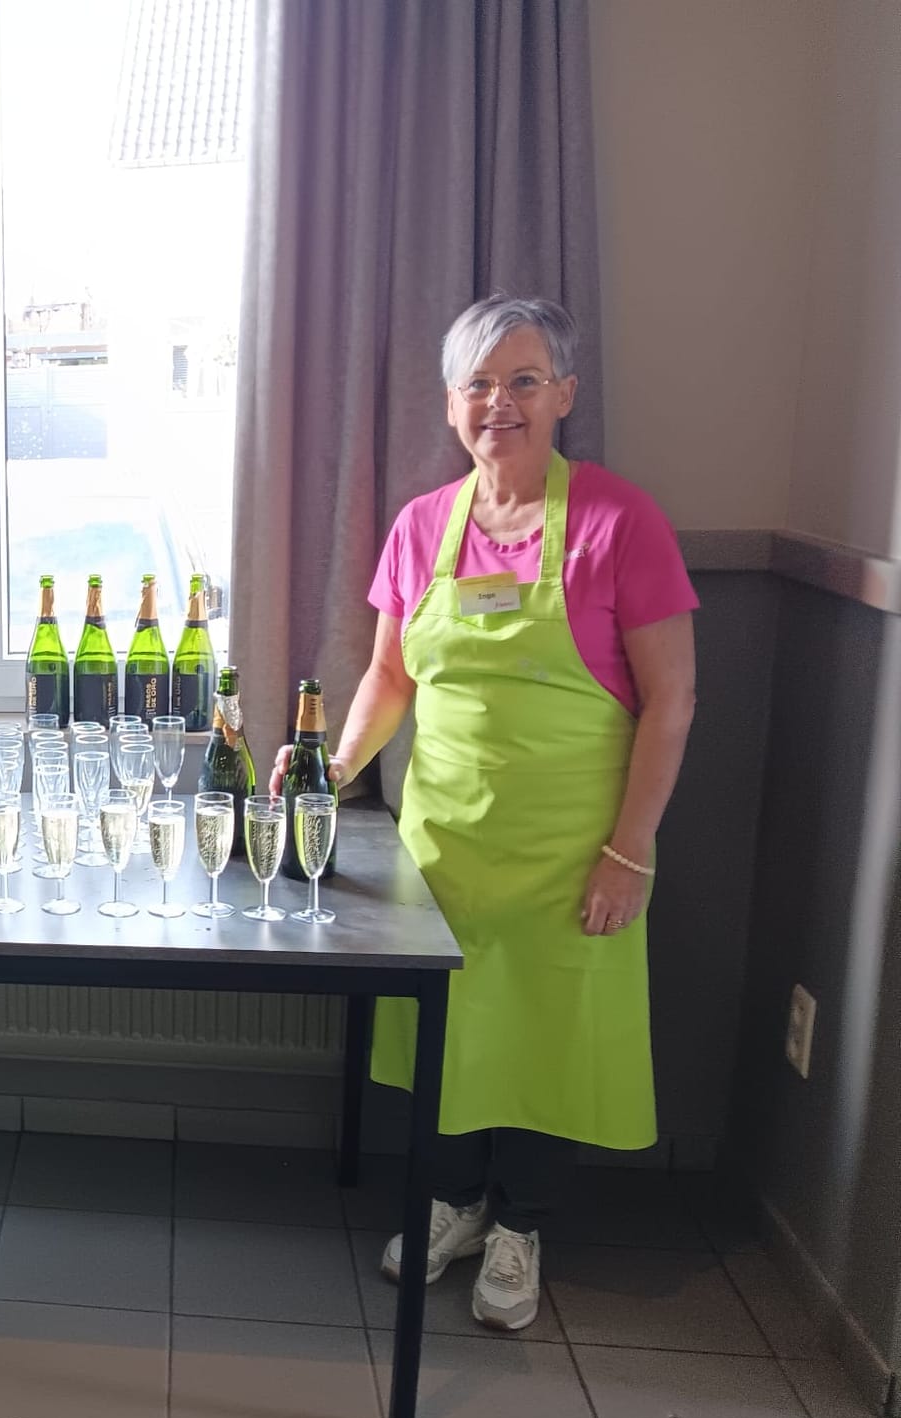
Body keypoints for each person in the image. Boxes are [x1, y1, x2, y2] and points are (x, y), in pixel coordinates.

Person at [275, 294, 697, 1332]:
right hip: (443, 849)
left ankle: (521, 1227)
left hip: (571, 853)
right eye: (476, 383)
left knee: (549, 1041)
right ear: (449, 403)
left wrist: (628, 852)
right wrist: (331, 769)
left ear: (564, 394)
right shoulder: (423, 525)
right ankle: (453, 1203)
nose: (497, 402)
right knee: (448, 1034)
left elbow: (672, 699)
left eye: (522, 381)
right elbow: (389, 676)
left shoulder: (617, 522)